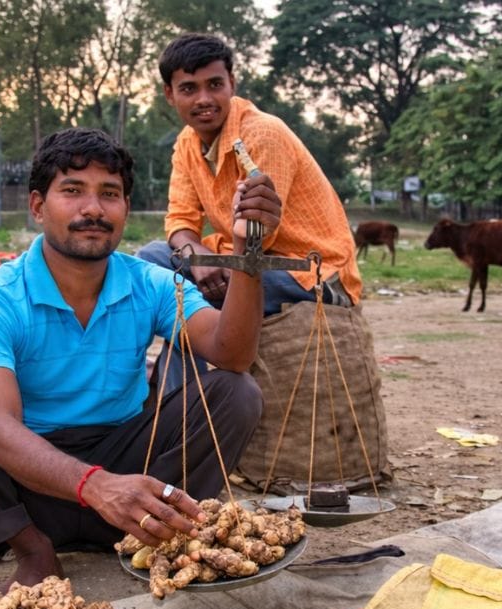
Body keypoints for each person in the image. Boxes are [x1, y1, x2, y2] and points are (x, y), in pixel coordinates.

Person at [0, 127, 276, 589]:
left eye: (109, 194)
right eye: (73, 191)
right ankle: (33, 550)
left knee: (236, 391)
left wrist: (249, 250)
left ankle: (154, 527)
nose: (93, 209)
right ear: (38, 206)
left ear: (126, 209)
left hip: (128, 468)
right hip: (26, 488)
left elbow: (232, 354)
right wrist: (95, 486)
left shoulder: (151, 283)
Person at [137, 33, 364, 389]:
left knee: (186, 294)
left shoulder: (262, 134)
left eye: (215, 85)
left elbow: (261, 237)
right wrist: (196, 253)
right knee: (150, 260)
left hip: (307, 269)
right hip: (239, 260)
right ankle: (175, 403)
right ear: (170, 94)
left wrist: (208, 263)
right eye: (189, 89)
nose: (204, 100)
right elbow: (180, 219)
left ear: (232, 84)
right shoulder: (186, 143)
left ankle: (179, 396)